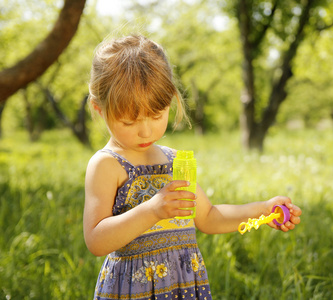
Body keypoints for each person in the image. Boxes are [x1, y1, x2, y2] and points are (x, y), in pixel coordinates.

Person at [83, 34, 302, 300]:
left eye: (156, 115)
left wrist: (263, 209)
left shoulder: (174, 161)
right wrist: (152, 210)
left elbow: (209, 217)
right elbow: (96, 240)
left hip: (182, 287)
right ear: (99, 108)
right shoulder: (107, 164)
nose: (145, 131)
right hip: (133, 290)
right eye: (129, 122)